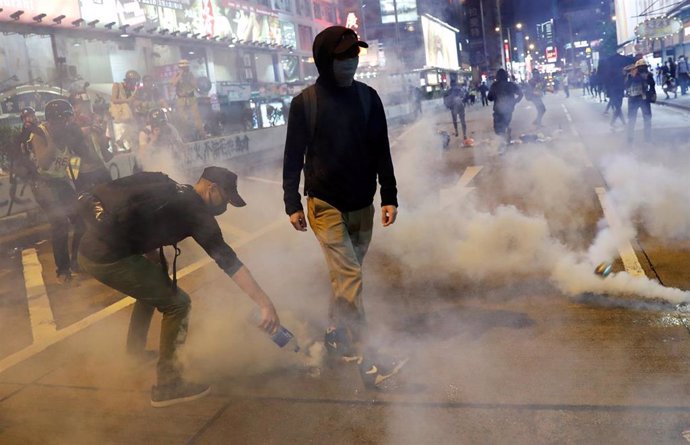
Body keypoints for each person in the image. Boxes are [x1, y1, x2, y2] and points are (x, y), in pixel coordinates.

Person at [78, 167, 280, 407]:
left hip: (92, 249)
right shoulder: (196, 212)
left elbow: (141, 221)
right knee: (178, 304)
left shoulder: (177, 191)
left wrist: (151, 258)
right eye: (224, 199)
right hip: (106, 258)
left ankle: (135, 354)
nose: (225, 207)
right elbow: (229, 262)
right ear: (211, 188)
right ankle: (168, 385)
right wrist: (265, 304)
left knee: (153, 289)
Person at [282, 26, 403, 389]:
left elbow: (382, 149)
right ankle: (370, 360)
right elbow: (292, 158)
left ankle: (336, 334)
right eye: (343, 56)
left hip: (362, 204)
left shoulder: (369, 98)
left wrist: (390, 195)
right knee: (350, 278)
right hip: (325, 204)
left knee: (344, 277)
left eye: (355, 54)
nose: (351, 61)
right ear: (325, 59)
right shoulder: (305, 103)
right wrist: (292, 202)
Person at [23, 100, 88, 282]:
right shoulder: (40, 133)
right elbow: (43, 162)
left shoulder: (67, 133)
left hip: (61, 181)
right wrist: (53, 141)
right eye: (64, 119)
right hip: (43, 184)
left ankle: (76, 260)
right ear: (54, 120)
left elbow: (75, 160)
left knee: (81, 220)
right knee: (60, 224)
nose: (67, 123)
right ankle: (63, 270)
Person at [137, 108, 185, 175]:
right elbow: (142, 155)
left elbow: (181, 147)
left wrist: (173, 141)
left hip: (168, 160)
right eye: (157, 124)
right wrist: (152, 141)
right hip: (151, 163)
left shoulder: (170, 128)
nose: (161, 126)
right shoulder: (145, 133)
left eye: (162, 124)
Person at [171, 59, 207, 140]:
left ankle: (202, 133)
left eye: (186, 67)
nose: (185, 69)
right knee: (183, 118)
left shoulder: (190, 75)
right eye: (183, 67)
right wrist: (180, 75)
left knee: (196, 116)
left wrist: (194, 84)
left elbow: (195, 85)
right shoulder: (176, 75)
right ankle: (185, 135)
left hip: (191, 98)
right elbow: (173, 84)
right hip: (181, 99)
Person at [487, 68, 523, 143]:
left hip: (498, 110)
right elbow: (521, 94)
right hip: (509, 110)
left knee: (498, 129)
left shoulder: (495, 85)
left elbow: (489, 98)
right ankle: (506, 137)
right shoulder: (511, 85)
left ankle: (503, 141)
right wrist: (515, 102)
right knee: (505, 124)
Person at [625, 58, 655, 144]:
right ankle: (630, 140)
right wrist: (632, 76)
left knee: (647, 119)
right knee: (631, 120)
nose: (643, 69)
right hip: (633, 99)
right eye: (641, 67)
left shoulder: (648, 75)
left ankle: (647, 139)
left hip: (643, 99)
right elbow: (626, 85)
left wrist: (652, 93)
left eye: (644, 67)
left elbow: (652, 85)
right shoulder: (631, 75)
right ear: (637, 68)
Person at [109, 70, 140, 151]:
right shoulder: (117, 85)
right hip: (118, 112)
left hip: (127, 114)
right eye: (133, 82)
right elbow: (113, 100)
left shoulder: (130, 91)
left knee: (134, 126)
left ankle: (121, 141)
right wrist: (127, 100)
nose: (134, 85)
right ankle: (120, 141)